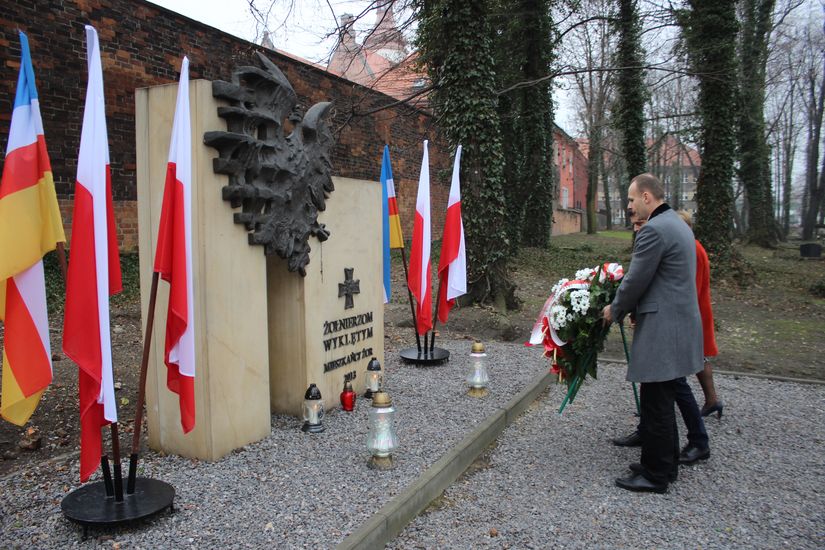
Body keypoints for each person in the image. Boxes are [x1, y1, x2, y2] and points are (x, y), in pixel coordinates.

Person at [602, 173, 704, 494]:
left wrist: (614, 309)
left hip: (664, 328)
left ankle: (656, 474)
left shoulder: (655, 231)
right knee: (662, 397)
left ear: (647, 197)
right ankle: (666, 462)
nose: (629, 206)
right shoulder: (676, 223)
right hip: (677, 324)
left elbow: (635, 280)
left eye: (631, 200)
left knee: (656, 402)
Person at [612, 213, 711, 469]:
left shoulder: (684, 246)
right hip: (669, 321)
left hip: (676, 325)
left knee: (674, 385)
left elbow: (678, 288)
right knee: (661, 387)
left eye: (640, 224)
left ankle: (698, 441)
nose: (637, 230)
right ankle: (652, 436)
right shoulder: (676, 241)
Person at [676, 210, 723, 418]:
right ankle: (711, 400)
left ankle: (710, 400)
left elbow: (690, 283)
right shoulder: (695, 247)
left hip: (693, 310)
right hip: (697, 307)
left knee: (691, 356)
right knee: (698, 355)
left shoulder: (691, 250)